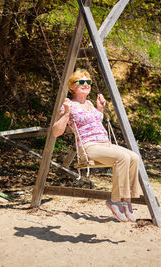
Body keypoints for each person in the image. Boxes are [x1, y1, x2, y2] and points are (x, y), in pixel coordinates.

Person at [52, 69, 141, 222]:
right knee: (122, 157)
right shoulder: (68, 105)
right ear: (72, 86)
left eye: (88, 82)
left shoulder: (90, 103)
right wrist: (66, 113)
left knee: (134, 157)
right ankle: (114, 200)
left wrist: (100, 108)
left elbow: (95, 123)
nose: (86, 84)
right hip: (88, 146)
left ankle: (126, 201)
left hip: (104, 143)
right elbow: (56, 132)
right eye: (81, 82)